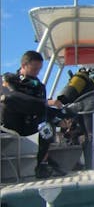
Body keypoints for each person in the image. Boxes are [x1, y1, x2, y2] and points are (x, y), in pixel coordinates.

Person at [0, 50, 67, 178]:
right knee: (9, 99)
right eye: (35, 68)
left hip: (27, 124)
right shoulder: (8, 79)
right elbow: (12, 97)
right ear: (24, 65)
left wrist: (58, 118)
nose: (37, 71)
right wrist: (46, 103)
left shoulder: (39, 86)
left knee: (47, 126)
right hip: (8, 124)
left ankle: (42, 165)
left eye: (39, 69)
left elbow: (38, 108)